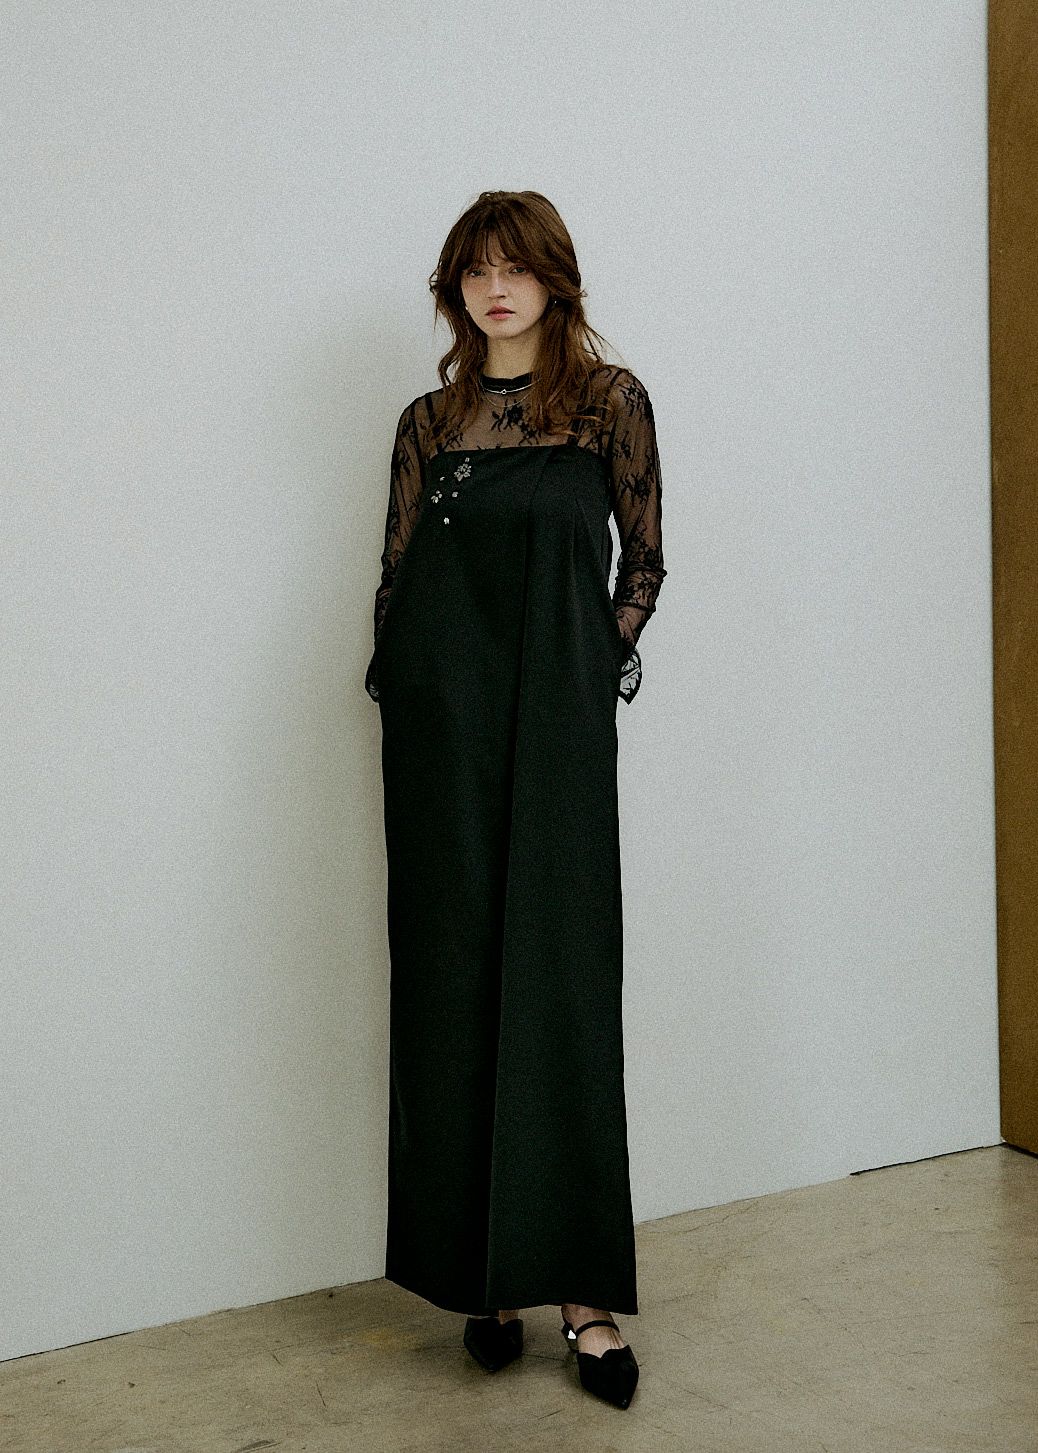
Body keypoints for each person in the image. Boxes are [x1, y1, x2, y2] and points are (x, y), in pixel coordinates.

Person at [364, 190, 666, 1412]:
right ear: (456, 290)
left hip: (556, 731)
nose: (497, 288)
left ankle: (581, 1293)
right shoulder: (429, 423)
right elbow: (396, 581)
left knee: (562, 983)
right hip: (443, 740)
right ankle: (480, 1282)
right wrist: (413, 693)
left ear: (555, 281)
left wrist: (589, 670)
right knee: (451, 987)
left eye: (518, 267)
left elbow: (642, 561)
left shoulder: (608, 404)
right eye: (476, 270)